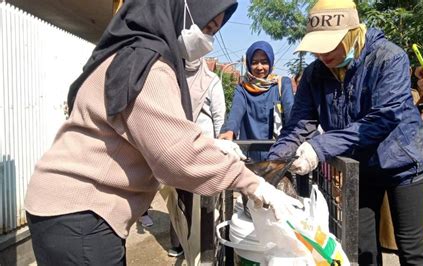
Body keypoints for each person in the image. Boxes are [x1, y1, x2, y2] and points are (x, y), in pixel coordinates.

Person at [24, 1, 301, 265]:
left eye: (214, 32)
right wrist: (254, 185)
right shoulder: (145, 64)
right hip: (80, 213)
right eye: (206, 28)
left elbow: (156, 131)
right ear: (179, 12)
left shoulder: (131, 53)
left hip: (72, 210)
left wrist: (211, 145)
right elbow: (176, 156)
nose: (208, 41)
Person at [267, 0, 423, 265]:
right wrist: (272, 165)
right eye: (317, 48)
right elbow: (299, 125)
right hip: (360, 170)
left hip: (405, 167)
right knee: (361, 249)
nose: (323, 55)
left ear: (353, 32)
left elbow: (382, 119)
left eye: (331, 44)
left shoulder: (388, 58)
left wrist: (319, 147)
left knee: (413, 252)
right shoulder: (314, 74)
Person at [167, 57, 226, 258]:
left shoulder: (211, 81)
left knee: (206, 198)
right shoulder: (172, 76)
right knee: (181, 198)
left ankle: (206, 246)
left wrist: (220, 148)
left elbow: (219, 117)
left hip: (206, 148)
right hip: (180, 147)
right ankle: (179, 242)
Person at [219, 41, 294, 161]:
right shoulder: (242, 88)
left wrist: (298, 135)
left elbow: (291, 112)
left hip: (278, 155)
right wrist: (229, 131)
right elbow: (235, 112)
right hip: (250, 157)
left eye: (264, 62)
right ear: (248, 64)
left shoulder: (282, 84)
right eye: (254, 63)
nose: (259, 67)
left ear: (271, 62)